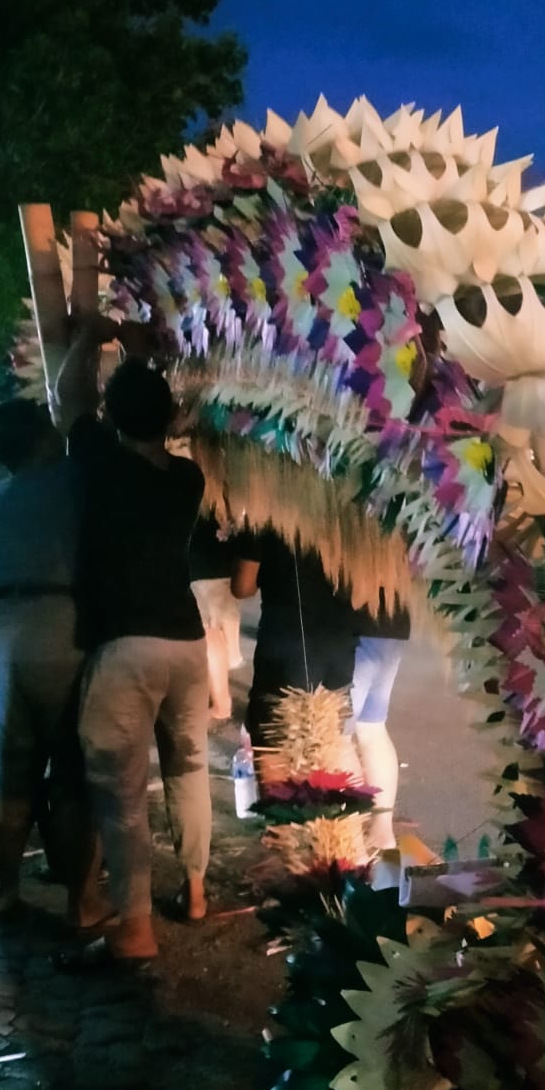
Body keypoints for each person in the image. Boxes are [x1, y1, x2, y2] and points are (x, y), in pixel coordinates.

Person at [51, 318, 211, 968]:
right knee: (189, 767)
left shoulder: (98, 462)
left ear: (113, 417)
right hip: (187, 643)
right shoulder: (186, 479)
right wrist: (142, 355)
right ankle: (197, 891)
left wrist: (93, 339)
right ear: (168, 417)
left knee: (120, 795)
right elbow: (160, 411)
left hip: (126, 647)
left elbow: (69, 398)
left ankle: (136, 926)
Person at [0, 398, 105, 927]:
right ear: (43, 438)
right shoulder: (72, 480)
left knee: (8, 770)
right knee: (70, 769)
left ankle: (4, 889)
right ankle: (83, 901)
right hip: (57, 624)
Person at [231, 528, 361, 778]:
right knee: (330, 749)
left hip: (286, 644)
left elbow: (242, 586)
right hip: (341, 646)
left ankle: (287, 815)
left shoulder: (266, 515)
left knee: (276, 749)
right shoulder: (347, 514)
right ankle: (334, 814)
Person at [349, 593, 411, 851]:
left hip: (355, 623)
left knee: (337, 740)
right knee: (372, 728)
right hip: (393, 620)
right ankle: (381, 833)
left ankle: (350, 846)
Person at [188, 512, 246, 722]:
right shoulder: (226, 485)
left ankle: (222, 704)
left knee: (209, 632)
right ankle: (228, 663)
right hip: (224, 558)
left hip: (202, 563)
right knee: (220, 621)